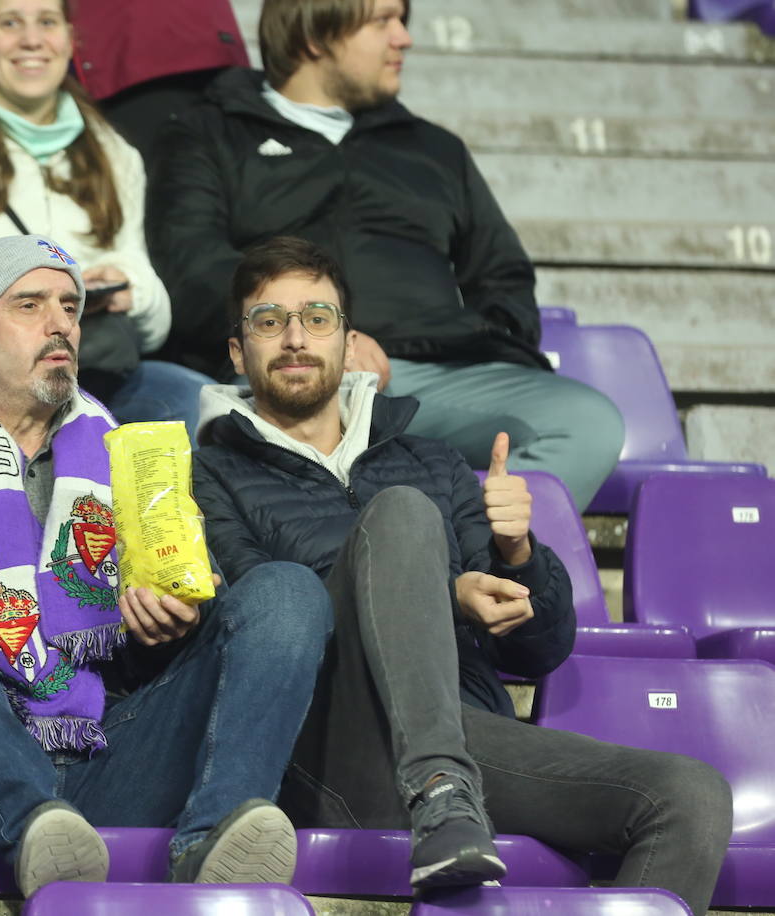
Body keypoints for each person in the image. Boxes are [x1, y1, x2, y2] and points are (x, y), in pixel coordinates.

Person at [190, 235, 733, 909]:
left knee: (689, 796)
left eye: (318, 318)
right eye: (270, 322)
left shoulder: (432, 460)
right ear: (240, 352)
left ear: (350, 341)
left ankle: (444, 788)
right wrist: (446, 595)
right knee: (401, 517)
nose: (296, 338)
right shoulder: (207, 474)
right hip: (327, 741)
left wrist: (517, 556)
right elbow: (267, 615)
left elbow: (541, 647)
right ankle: (441, 787)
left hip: (462, 731)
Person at [0, 234, 332, 894]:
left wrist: (169, 622)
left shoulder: (126, 451)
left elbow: (145, 652)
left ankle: (214, 835)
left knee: (286, 589)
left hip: (102, 756)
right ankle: (27, 821)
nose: (60, 325)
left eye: (71, 308)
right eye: (29, 305)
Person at [147, 0, 625, 510]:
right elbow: (191, 266)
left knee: (587, 422)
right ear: (314, 36)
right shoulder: (206, 134)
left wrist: (483, 343)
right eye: (382, 22)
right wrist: (320, 334)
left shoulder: (434, 149)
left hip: (432, 378)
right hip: (288, 364)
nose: (404, 38)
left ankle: (454, 558)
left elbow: (503, 276)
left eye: (403, 20)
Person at [0, 0, 214, 439]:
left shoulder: (114, 153)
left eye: (47, 22)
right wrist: (6, 299)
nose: (32, 39)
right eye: (10, 22)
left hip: (92, 374)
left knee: (193, 401)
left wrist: (128, 288)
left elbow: (153, 311)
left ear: (70, 40)